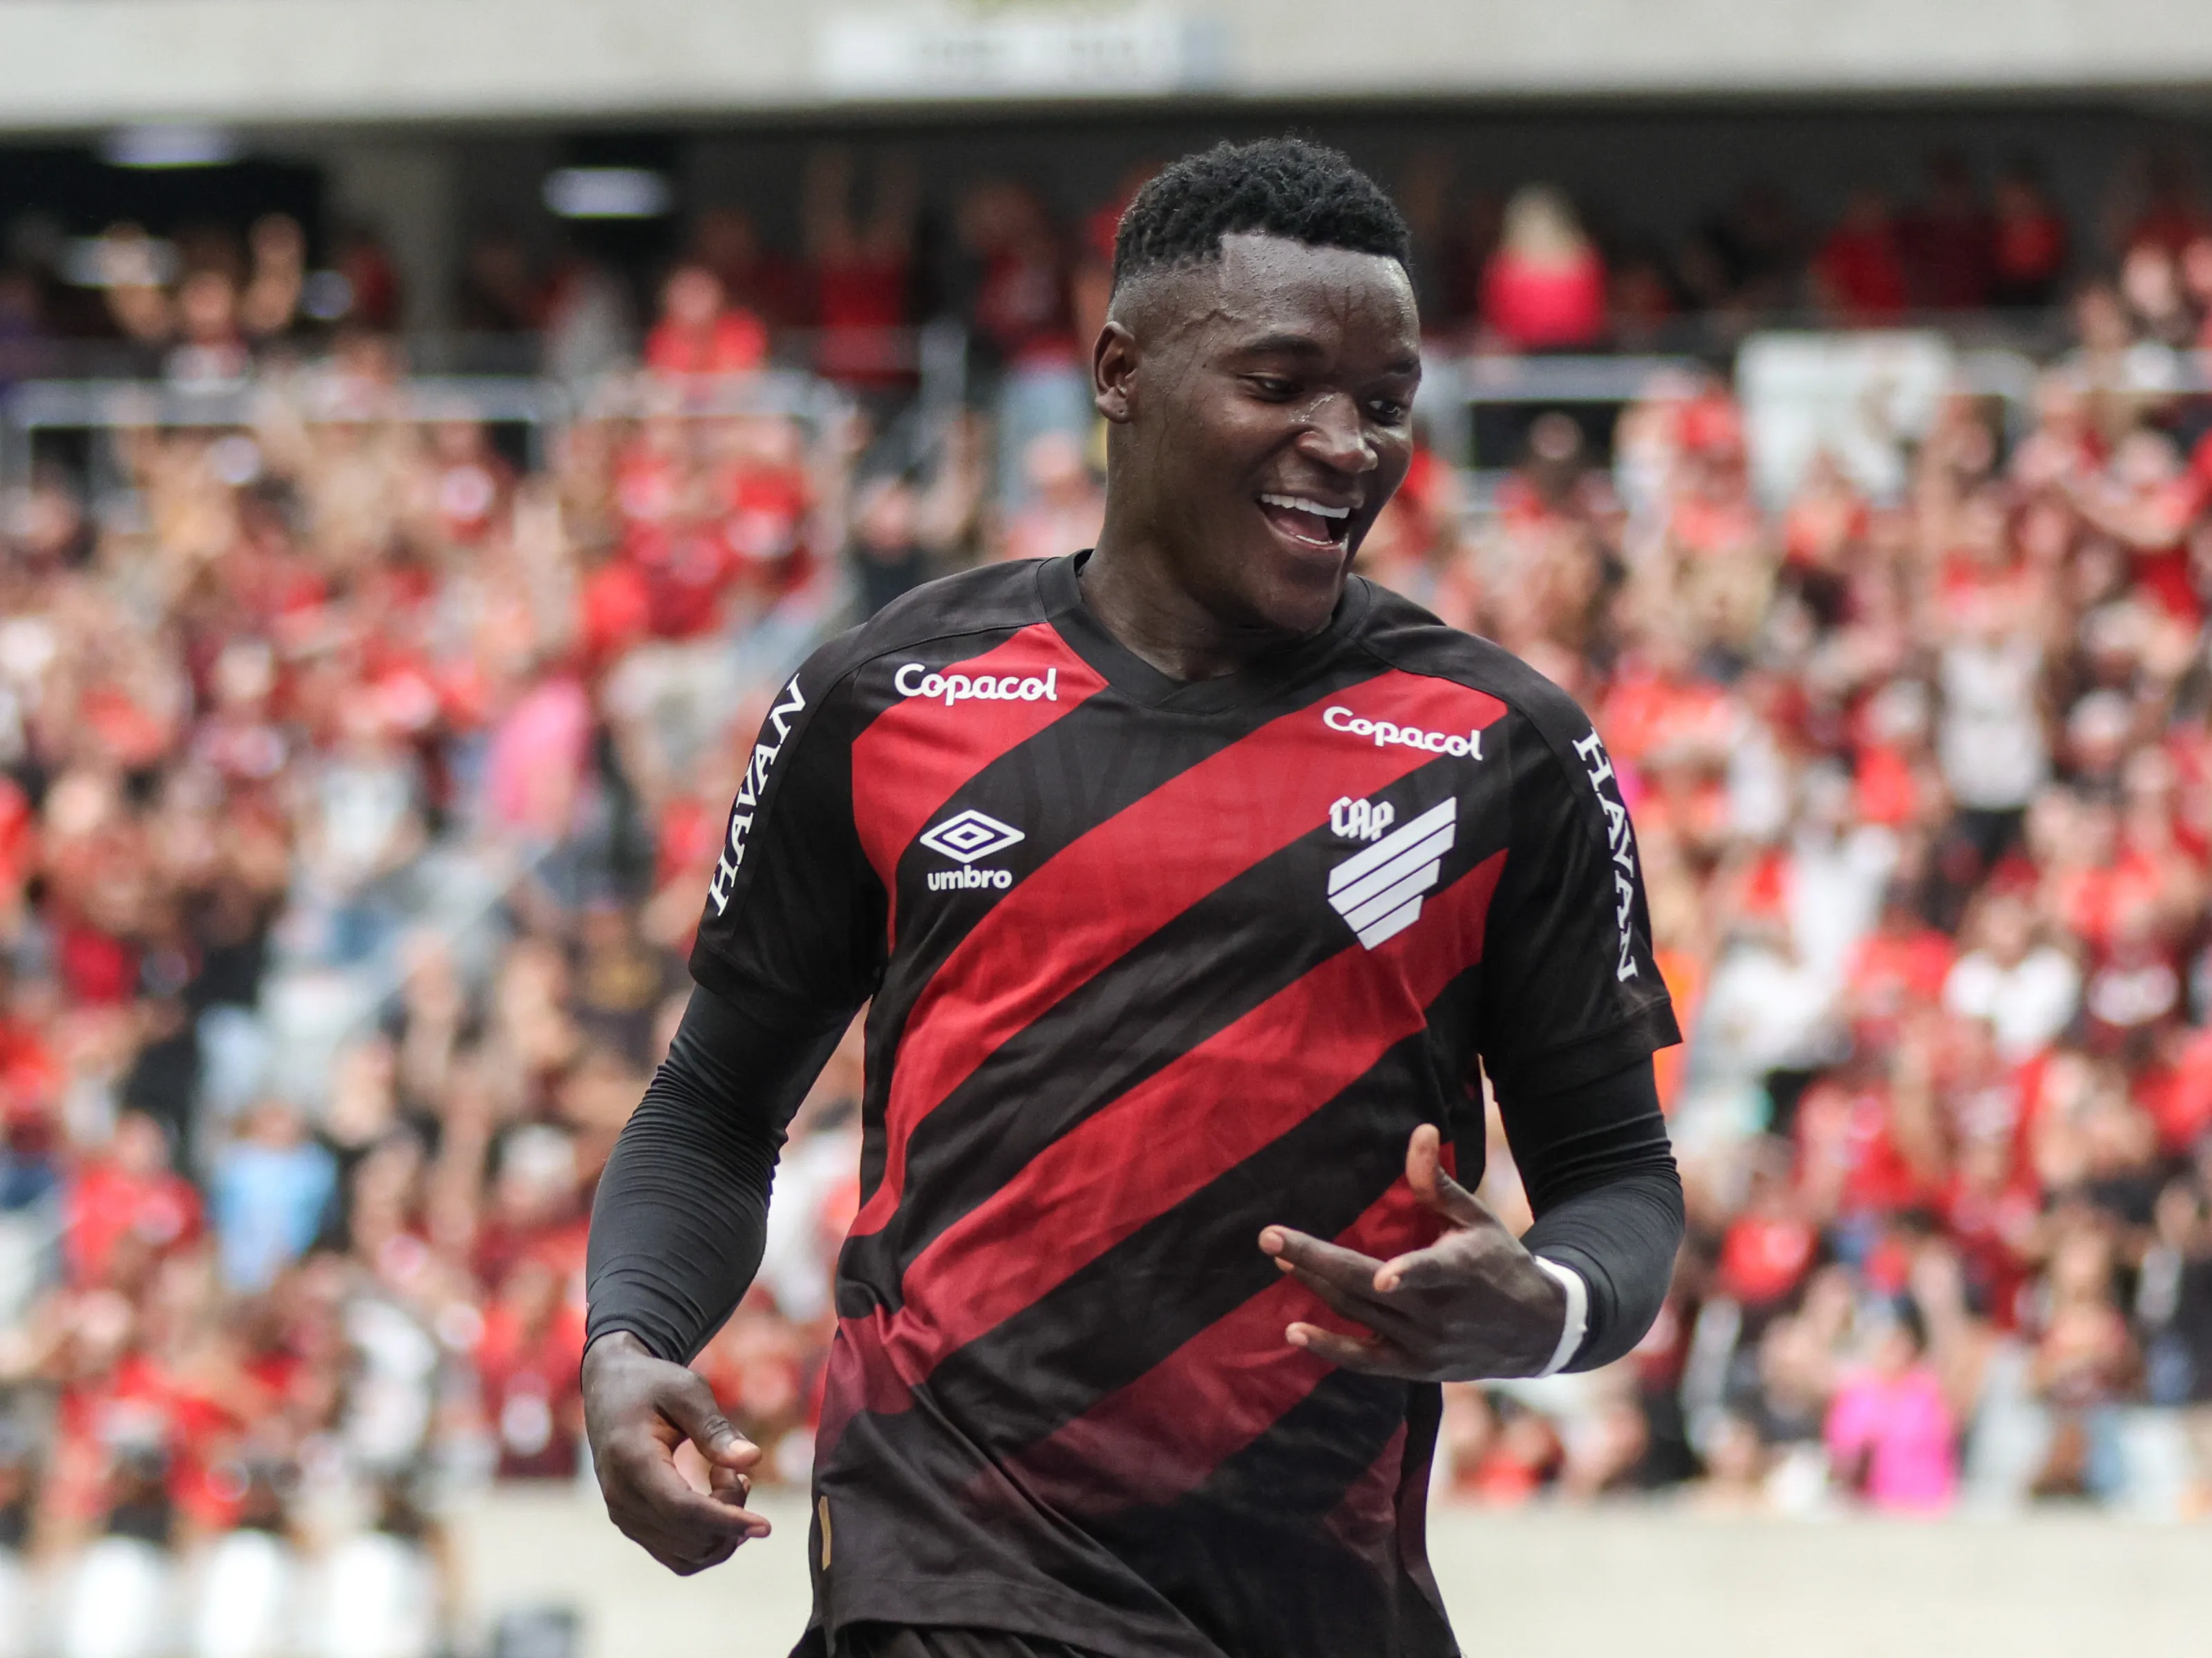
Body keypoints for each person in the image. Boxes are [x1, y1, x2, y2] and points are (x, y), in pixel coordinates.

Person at [582, 138, 1686, 1658]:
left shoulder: (1506, 746)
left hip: (1320, 1602)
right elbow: (714, 1107)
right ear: (1119, 374)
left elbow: (1618, 1173)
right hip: (947, 1578)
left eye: (1384, 404)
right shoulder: (884, 698)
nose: (1346, 444)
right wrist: (629, 1337)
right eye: (1282, 383)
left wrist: (1547, 1307)